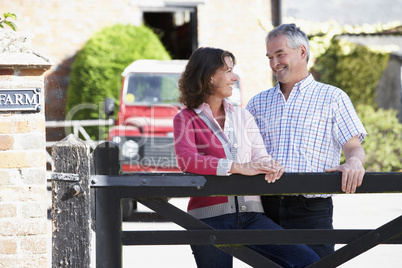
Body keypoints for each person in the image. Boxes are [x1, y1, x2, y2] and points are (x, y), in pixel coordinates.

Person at [173, 47, 320, 268]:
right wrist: (237, 166)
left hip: (252, 216)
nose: (235, 77)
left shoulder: (243, 115)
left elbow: (260, 156)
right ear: (210, 76)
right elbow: (187, 160)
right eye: (228, 71)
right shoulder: (185, 118)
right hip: (208, 220)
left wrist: (270, 165)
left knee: (307, 260)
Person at [246, 23, 367, 258]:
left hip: (312, 211)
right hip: (265, 210)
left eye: (280, 54)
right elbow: (244, 154)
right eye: (270, 57)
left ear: (302, 52)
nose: (274, 63)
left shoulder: (333, 97)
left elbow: (354, 148)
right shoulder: (257, 103)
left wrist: (354, 163)